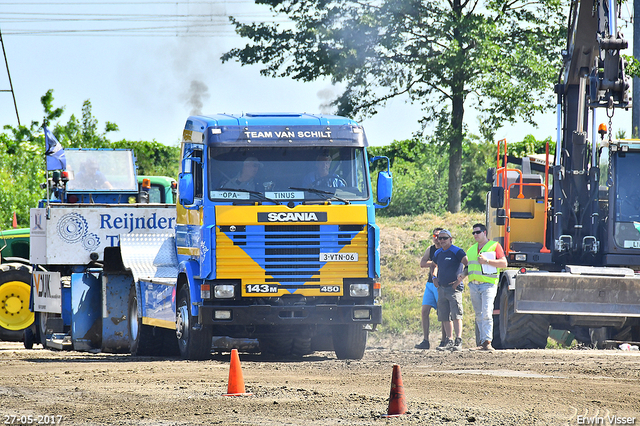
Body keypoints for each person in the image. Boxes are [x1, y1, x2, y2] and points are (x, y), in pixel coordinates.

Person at [467, 223, 508, 351]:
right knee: (479, 315)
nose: (475, 235)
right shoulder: (471, 249)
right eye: (473, 233)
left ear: (485, 233)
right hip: (474, 285)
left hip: (488, 285)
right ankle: (482, 343)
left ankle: (487, 342)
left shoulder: (495, 246)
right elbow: (468, 267)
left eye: (477, 232)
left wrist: (487, 261)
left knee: (486, 313)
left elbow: (504, 263)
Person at [433, 229, 468, 352]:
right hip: (442, 288)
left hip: (454, 289)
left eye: (444, 238)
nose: (441, 240)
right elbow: (434, 265)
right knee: (444, 316)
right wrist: (434, 277)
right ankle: (449, 340)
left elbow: (468, 266)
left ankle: (458, 340)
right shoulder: (438, 253)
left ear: (450, 239)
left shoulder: (457, 251)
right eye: (440, 238)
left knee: (456, 315)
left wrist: (459, 280)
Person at [415, 227, 447, 350]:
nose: (437, 240)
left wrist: (435, 262)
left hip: (441, 283)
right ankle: (426, 340)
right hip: (430, 283)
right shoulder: (431, 249)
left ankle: (444, 340)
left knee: (442, 312)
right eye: (434, 237)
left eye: (439, 237)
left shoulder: (447, 250)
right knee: (424, 311)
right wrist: (435, 262)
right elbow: (422, 263)